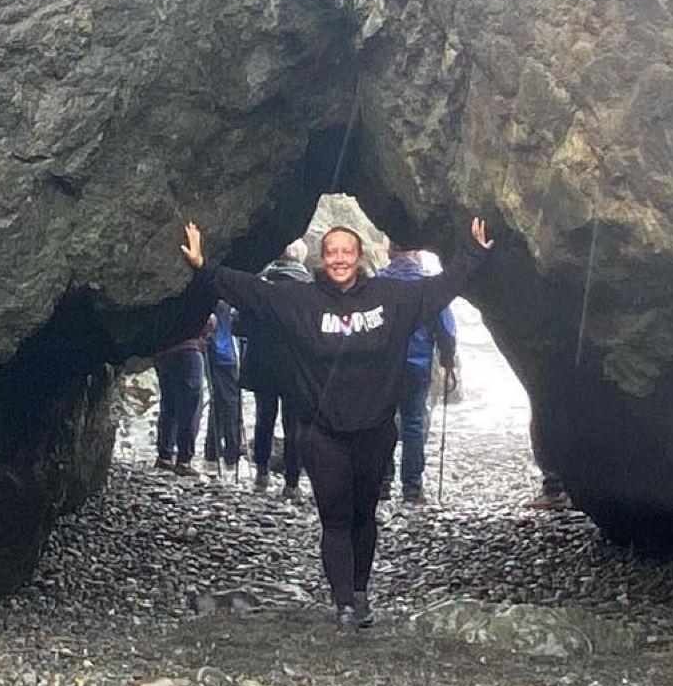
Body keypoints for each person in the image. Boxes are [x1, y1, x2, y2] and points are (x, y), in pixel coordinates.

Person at [182, 217, 493, 635]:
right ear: (322, 259)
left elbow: (439, 290)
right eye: (332, 253)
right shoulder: (299, 300)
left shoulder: (392, 297)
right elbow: (251, 293)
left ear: (360, 256)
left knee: (365, 514)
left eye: (347, 252)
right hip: (321, 431)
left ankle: (360, 592)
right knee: (335, 518)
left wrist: (473, 254)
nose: (340, 259)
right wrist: (204, 267)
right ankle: (344, 603)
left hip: (375, 429)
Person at [376, 243, 458, 505]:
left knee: (381, 421)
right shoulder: (429, 286)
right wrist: (447, 361)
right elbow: (446, 328)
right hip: (418, 362)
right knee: (413, 422)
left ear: (390, 252)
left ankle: (382, 483)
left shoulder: (376, 284)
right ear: (416, 253)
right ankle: (412, 488)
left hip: (382, 365)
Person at [241, 241, 313, 497]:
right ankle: (292, 482)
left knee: (264, 416)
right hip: (296, 366)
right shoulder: (310, 291)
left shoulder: (262, 286)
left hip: (262, 362)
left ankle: (261, 473)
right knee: (293, 422)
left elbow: (239, 326)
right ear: (301, 260)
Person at [152, 332, 207, 476]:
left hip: (162, 351)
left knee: (169, 404)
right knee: (190, 406)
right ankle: (184, 459)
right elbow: (209, 322)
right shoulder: (192, 308)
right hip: (188, 349)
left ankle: (165, 455)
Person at [202, 299, 243, 473]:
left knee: (219, 402)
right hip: (227, 357)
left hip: (218, 354)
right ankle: (230, 454)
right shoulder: (230, 302)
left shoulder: (215, 301)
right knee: (231, 405)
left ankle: (213, 453)